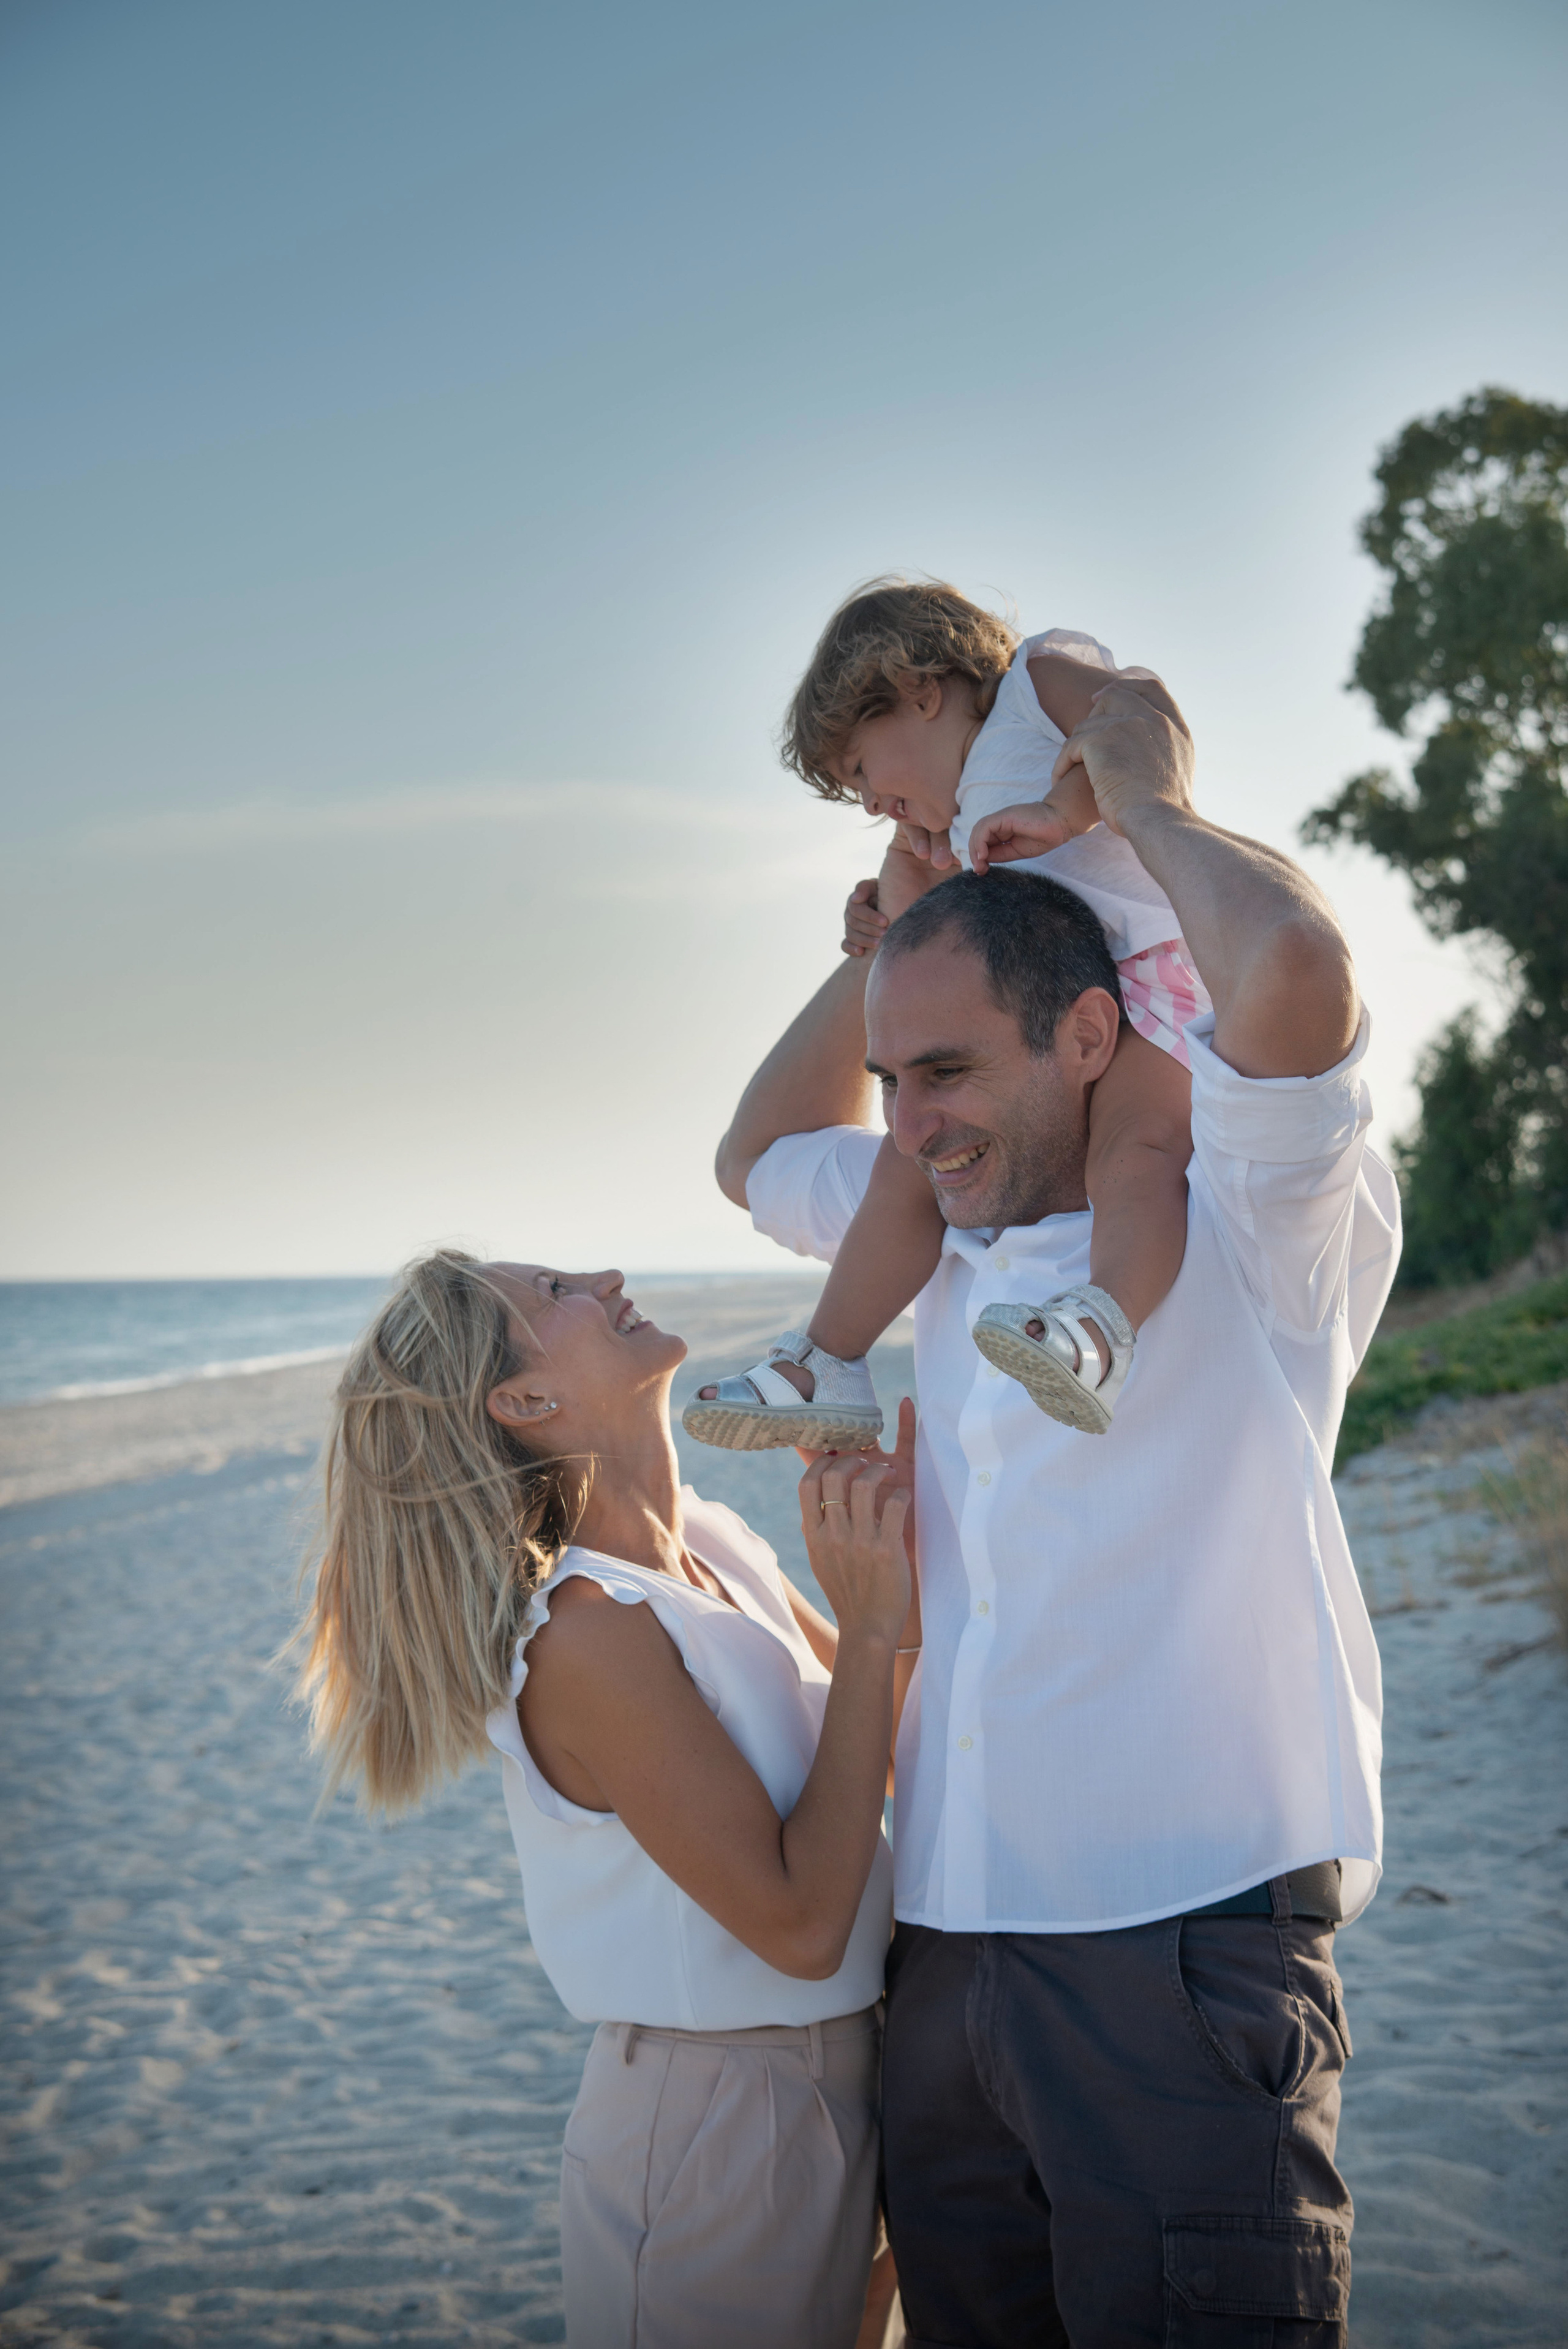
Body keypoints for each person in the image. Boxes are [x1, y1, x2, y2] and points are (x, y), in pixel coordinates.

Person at [712, 681, 1400, 2346]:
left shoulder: (1249, 1208)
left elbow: (1295, 974)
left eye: (946, 1068)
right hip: (946, 1956)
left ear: (1086, 1036)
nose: (910, 1122)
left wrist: (1143, 803)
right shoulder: (947, 1208)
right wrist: (895, 935)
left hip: (1178, 1950)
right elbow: (755, 1152)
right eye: (893, 1078)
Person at [292, 1249, 918, 2348]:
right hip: (723, 2121)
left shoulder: (714, 1543)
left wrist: (899, 1572)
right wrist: (866, 1628)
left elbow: (899, 1753)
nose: (606, 1277)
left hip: (860, 2076)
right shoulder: (587, 1634)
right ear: (526, 1401)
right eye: (555, 1292)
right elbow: (801, 1928)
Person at [684, 579, 1202, 1452]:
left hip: (1151, 985)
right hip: (1049, 1017)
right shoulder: (949, 832)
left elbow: (1148, 716)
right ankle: (829, 1360)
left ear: (919, 689)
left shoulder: (1035, 685)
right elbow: (939, 961)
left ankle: (1099, 1329)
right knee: (906, 1163)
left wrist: (1067, 808)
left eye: (861, 769)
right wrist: (888, 922)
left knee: (1138, 1154)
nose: (867, 803)